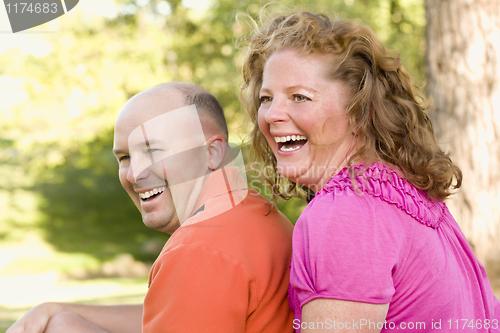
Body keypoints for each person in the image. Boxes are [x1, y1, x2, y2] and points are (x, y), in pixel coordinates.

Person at [240, 10, 500, 332]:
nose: (271, 114)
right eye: (267, 98)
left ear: (361, 111)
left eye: (299, 97)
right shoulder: (409, 195)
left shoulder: (346, 213)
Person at [7, 82, 294, 333]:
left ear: (212, 152)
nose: (134, 174)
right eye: (124, 158)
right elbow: (181, 314)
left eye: (153, 150)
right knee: (64, 324)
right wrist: (55, 310)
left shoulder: (198, 248)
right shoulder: (256, 213)